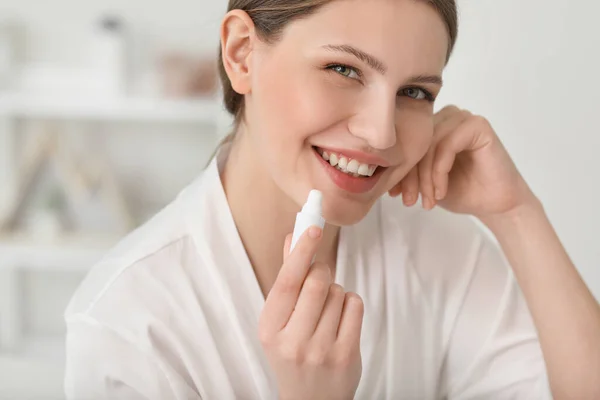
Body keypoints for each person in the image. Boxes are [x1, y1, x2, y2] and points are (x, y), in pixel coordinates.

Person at [64, 0, 600, 399]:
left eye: (415, 92)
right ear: (242, 53)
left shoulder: (443, 249)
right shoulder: (126, 325)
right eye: (343, 69)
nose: (381, 133)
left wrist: (516, 214)